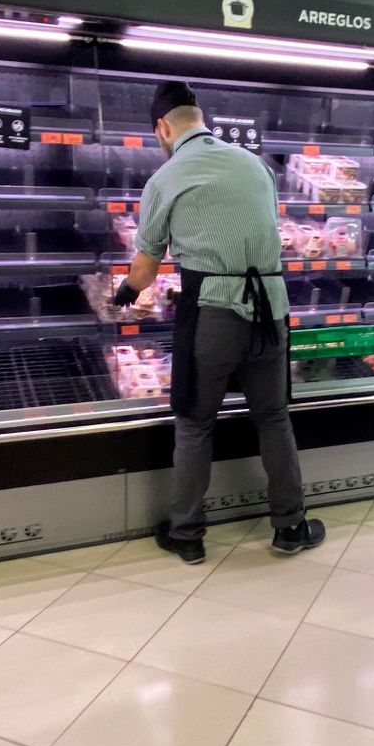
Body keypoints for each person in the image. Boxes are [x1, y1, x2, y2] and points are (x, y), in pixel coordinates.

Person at [115, 80, 324, 564]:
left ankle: (187, 535)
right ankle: (291, 527)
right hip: (271, 310)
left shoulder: (166, 178)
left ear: (163, 128)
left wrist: (125, 292)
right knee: (273, 419)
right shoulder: (256, 165)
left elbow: (144, 270)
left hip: (211, 311)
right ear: (200, 118)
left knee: (194, 424)